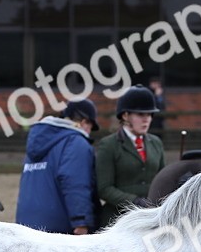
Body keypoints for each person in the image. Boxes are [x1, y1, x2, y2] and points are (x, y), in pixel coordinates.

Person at [15, 99, 99, 235]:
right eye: (90, 127)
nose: (89, 132)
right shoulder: (77, 143)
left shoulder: (36, 143)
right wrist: (81, 221)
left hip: (26, 225)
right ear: (84, 122)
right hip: (58, 231)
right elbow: (75, 184)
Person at [95, 86, 165, 229]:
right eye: (140, 114)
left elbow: (163, 179)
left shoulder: (156, 143)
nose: (146, 119)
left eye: (150, 114)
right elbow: (104, 188)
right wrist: (135, 202)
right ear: (125, 116)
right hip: (118, 220)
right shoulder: (108, 145)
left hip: (150, 220)